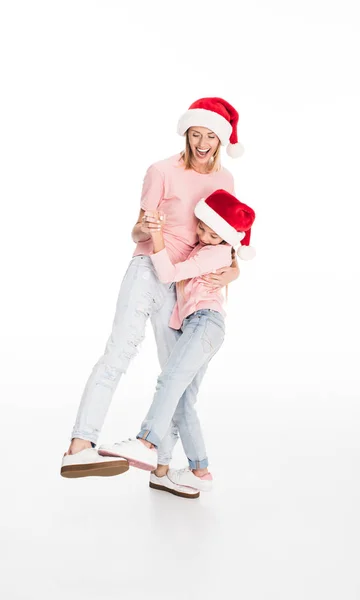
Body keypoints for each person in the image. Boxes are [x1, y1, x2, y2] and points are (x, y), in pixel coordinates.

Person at [60, 97, 243, 483]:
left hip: (183, 287)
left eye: (210, 135)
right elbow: (136, 231)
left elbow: (229, 238)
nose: (203, 143)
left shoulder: (225, 180)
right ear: (187, 134)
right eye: (196, 134)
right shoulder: (160, 171)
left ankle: (162, 468)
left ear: (221, 139)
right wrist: (150, 228)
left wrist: (233, 272)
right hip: (148, 269)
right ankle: (80, 445)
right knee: (120, 350)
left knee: (174, 376)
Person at [97, 189, 256, 498]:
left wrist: (155, 236)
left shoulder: (215, 252)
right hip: (199, 327)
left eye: (213, 233)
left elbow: (167, 273)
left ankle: (147, 442)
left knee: (169, 380)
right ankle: (200, 471)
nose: (205, 236)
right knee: (183, 401)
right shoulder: (207, 249)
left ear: (225, 238)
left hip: (205, 322)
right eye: (202, 228)